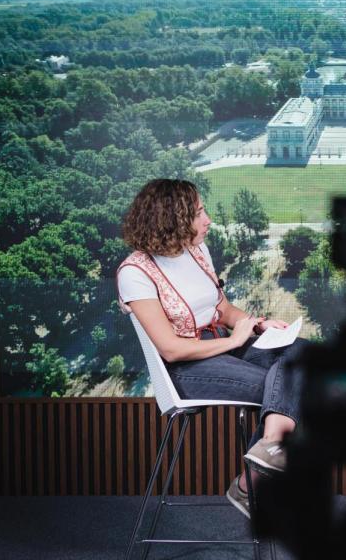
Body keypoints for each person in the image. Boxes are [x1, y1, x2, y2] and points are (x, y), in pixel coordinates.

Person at [116, 178, 304, 519]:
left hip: (220, 344)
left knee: (305, 355)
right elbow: (170, 349)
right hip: (185, 369)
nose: (209, 220)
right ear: (172, 220)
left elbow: (223, 310)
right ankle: (256, 477)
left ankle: (269, 448)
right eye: (200, 213)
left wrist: (257, 323)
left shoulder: (196, 249)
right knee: (284, 386)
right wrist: (234, 341)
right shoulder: (134, 272)